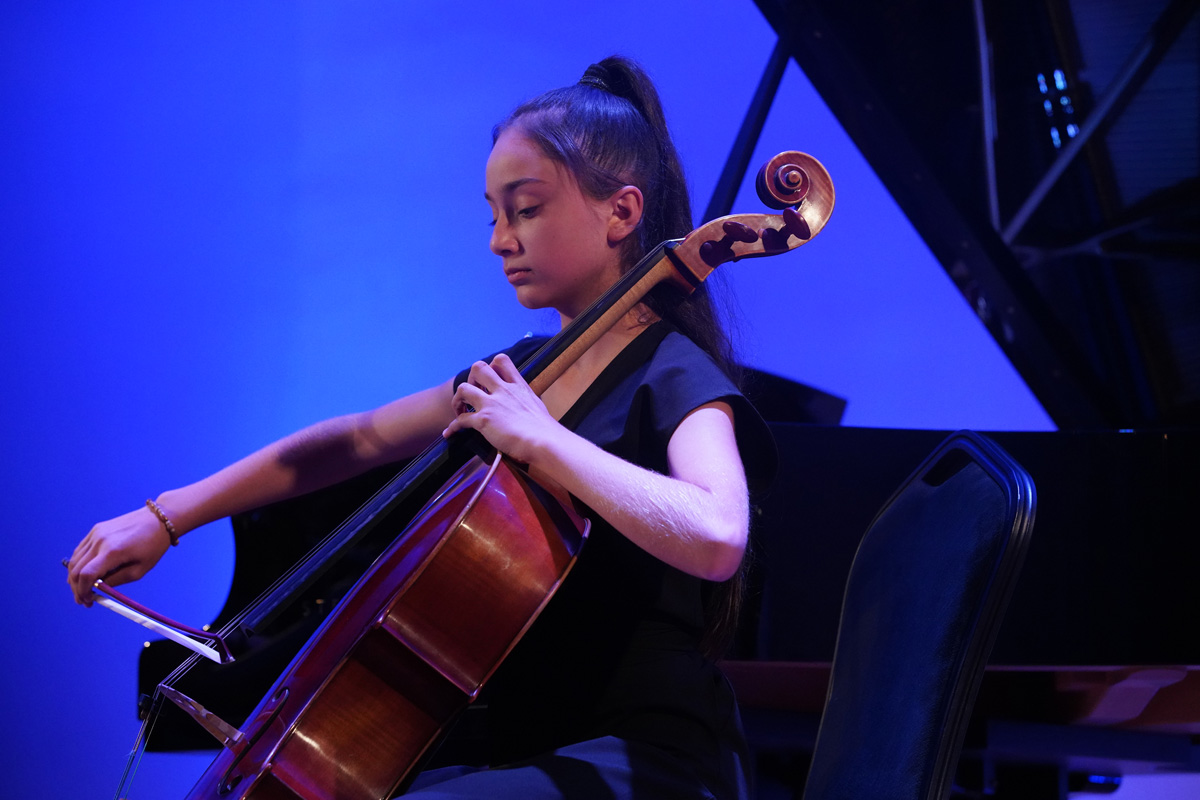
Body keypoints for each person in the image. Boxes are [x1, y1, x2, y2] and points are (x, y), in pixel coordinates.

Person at [67, 56, 775, 799]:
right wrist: (169, 516)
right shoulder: (520, 373)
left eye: (526, 209)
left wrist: (543, 440)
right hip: (518, 744)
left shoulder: (672, 372)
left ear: (621, 214)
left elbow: (717, 534)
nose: (500, 239)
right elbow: (356, 442)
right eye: (493, 214)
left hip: (642, 758)